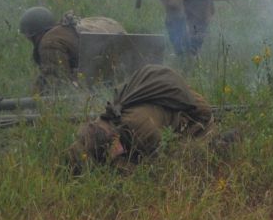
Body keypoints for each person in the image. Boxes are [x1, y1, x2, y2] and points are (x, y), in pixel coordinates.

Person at [68, 64, 213, 169]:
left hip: (193, 113)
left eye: (114, 149)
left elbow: (156, 168)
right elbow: (81, 144)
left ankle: (223, 141)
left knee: (189, 154)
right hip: (163, 95)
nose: (119, 151)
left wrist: (118, 165)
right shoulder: (103, 123)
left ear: (115, 139)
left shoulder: (142, 131)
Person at [19, 5, 129, 89]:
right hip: (121, 74)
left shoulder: (49, 43)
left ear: (33, 35)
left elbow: (58, 83)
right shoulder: (65, 32)